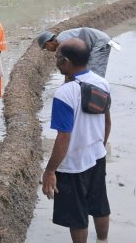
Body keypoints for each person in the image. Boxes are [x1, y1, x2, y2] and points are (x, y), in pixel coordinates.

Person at [42, 38, 111, 243]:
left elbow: (64, 137)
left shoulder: (65, 94)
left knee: (77, 215)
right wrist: (100, 145)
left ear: (66, 62)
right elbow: (107, 121)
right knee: (99, 204)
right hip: (97, 156)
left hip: (73, 165)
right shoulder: (102, 82)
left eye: (57, 58)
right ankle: (103, 240)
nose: (55, 62)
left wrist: (50, 170)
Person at [37, 27, 119, 78]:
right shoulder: (62, 39)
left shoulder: (63, 41)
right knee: (88, 69)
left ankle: (99, 91)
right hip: (95, 43)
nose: (47, 50)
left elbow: (70, 64)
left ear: (48, 43)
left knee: (95, 70)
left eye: (45, 47)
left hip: (100, 42)